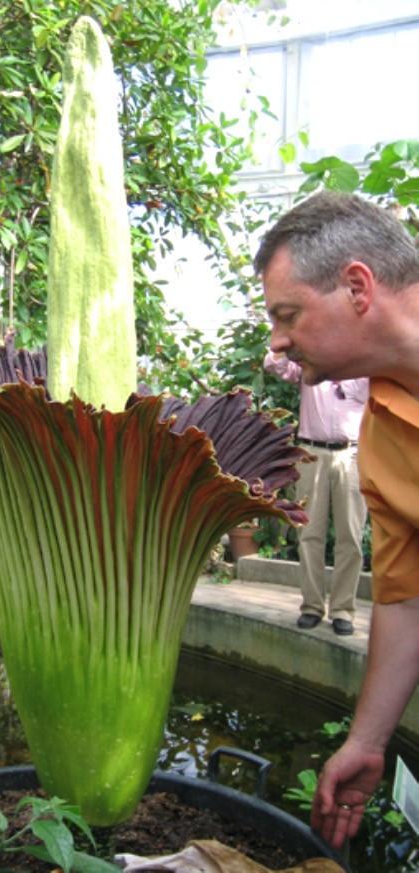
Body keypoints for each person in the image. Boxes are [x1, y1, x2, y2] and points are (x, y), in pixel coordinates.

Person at [253, 190, 419, 850]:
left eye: (287, 314)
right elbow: (408, 599)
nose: (277, 339)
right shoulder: (383, 430)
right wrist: (367, 740)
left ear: (357, 287)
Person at [264, 351, 368, 635]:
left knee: (351, 537)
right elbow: (273, 364)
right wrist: (292, 338)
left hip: (352, 454)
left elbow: (370, 394)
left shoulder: (362, 361)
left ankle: (343, 610)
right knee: (309, 533)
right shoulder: (309, 360)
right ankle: (311, 606)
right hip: (312, 452)